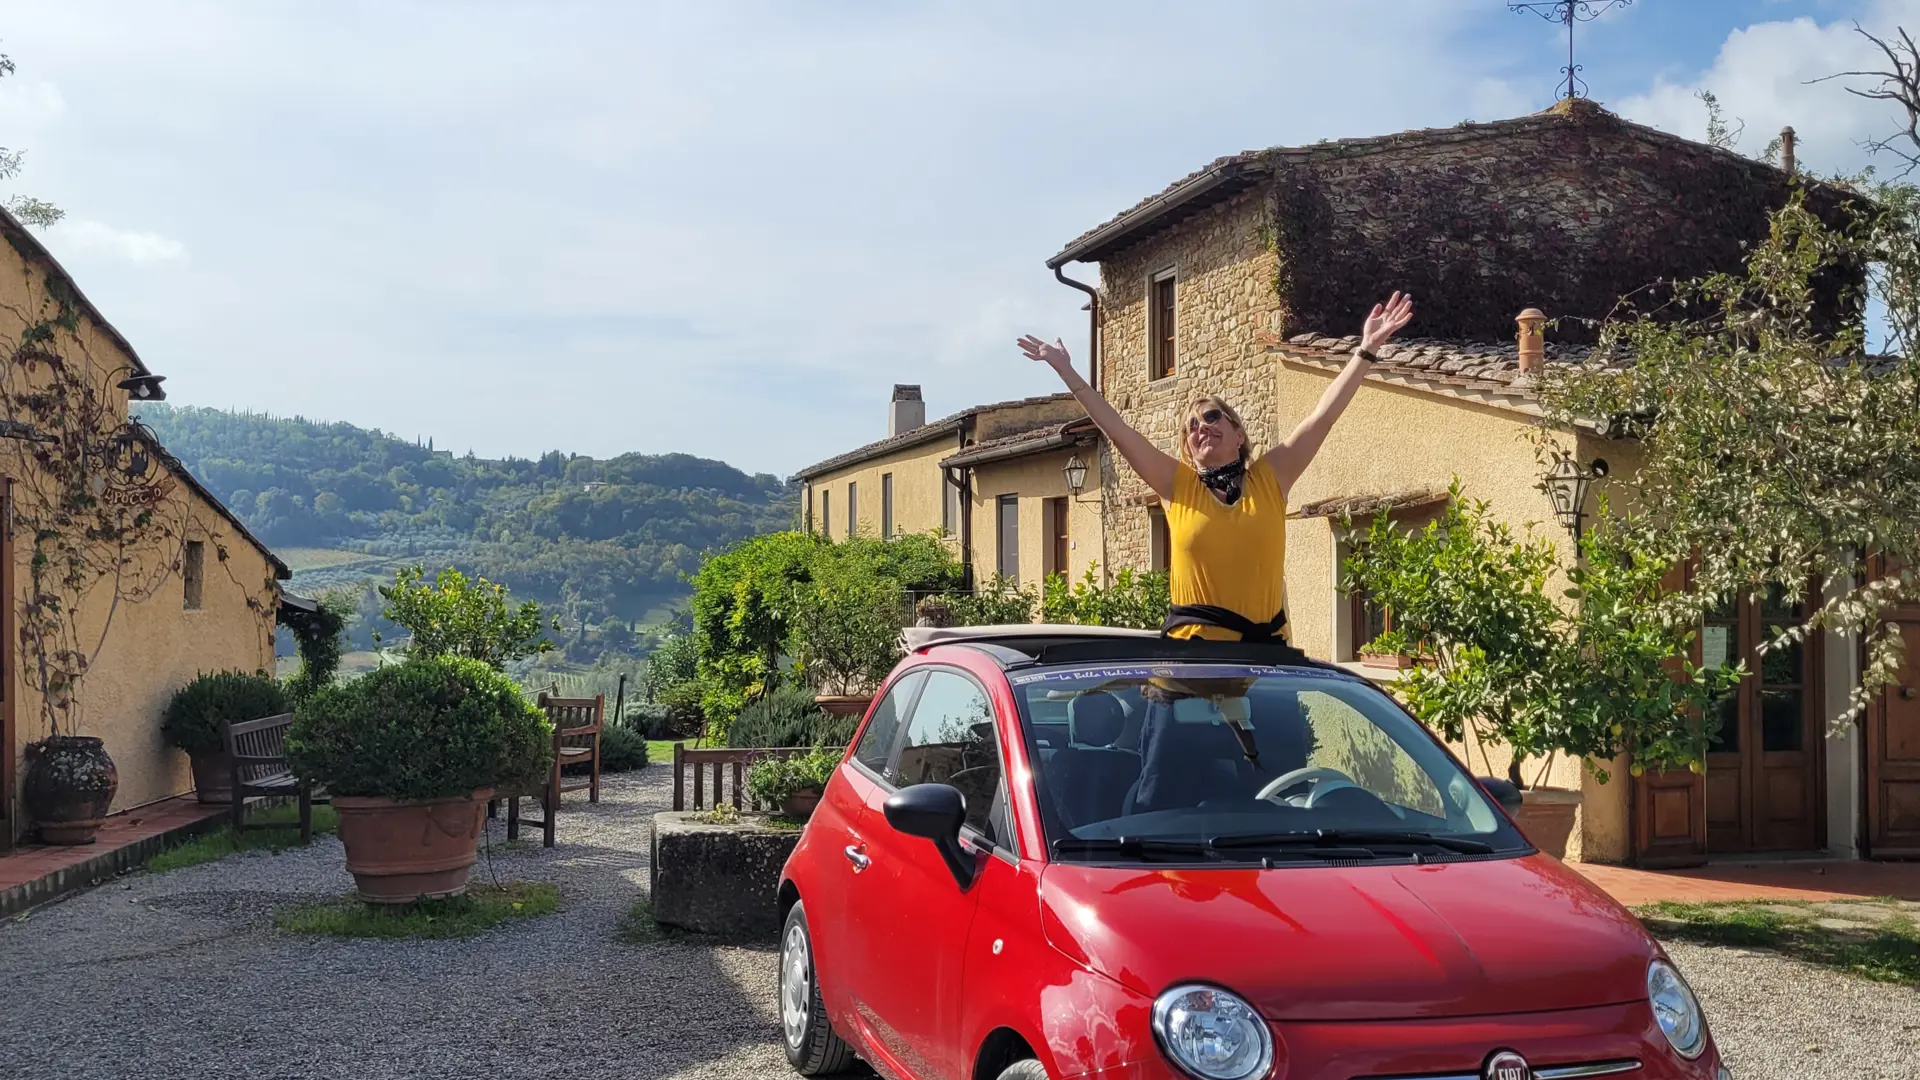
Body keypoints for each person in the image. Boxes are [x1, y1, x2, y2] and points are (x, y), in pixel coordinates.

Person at [1018, 291, 1414, 644]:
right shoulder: (1177, 486)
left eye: (1211, 417)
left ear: (1238, 434)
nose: (1200, 427)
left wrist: (1366, 350)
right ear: (1188, 451)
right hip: (1194, 664)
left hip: (1264, 662)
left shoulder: (1270, 478)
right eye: (1191, 427)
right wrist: (1066, 371)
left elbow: (1322, 417)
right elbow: (1118, 431)